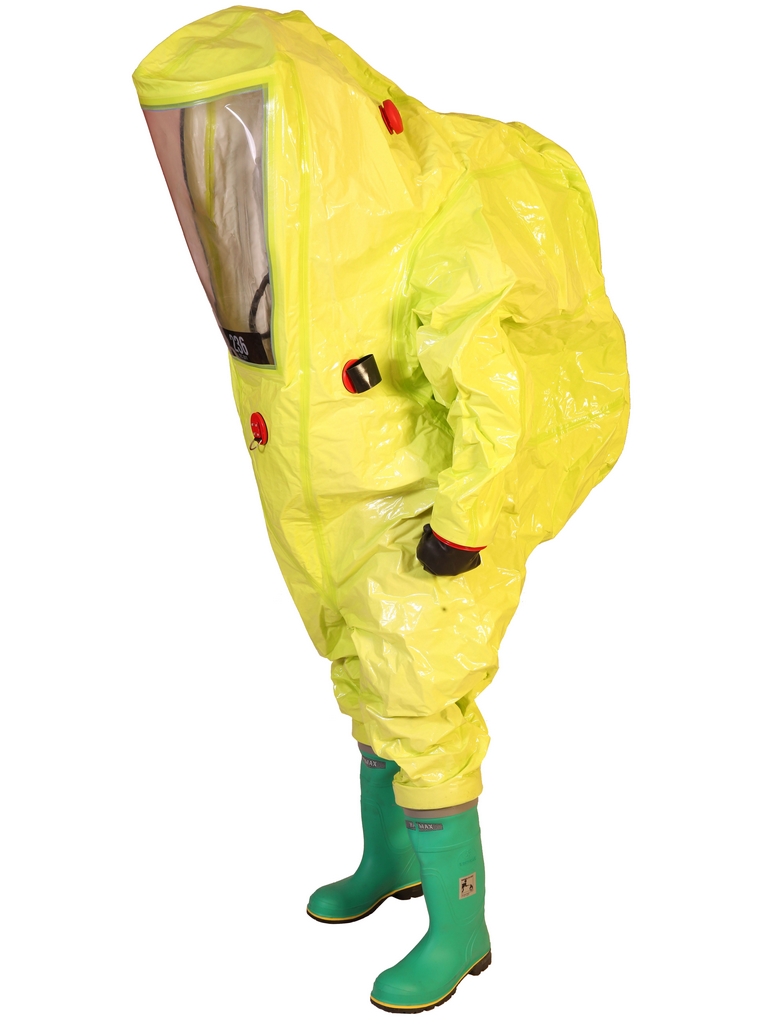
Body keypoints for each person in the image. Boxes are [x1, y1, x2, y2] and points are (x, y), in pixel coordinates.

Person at [133, 7, 629, 1012]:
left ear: (311, 129)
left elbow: (493, 388)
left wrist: (462, 523)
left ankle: (460, 926)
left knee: (420, 703)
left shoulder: (424, 219)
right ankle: (391, 860)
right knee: (362, 679)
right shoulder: (305, 258)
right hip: (329, 508)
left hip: (420, 516)